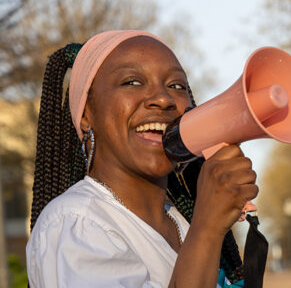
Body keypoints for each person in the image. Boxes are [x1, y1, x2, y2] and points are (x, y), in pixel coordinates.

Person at [26, 30, 259, 288]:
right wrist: (208, 226)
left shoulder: (180, 221)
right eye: (132, 82)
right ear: (86, 114)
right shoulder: (74, 223)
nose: (163, 99)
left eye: (176, 86)